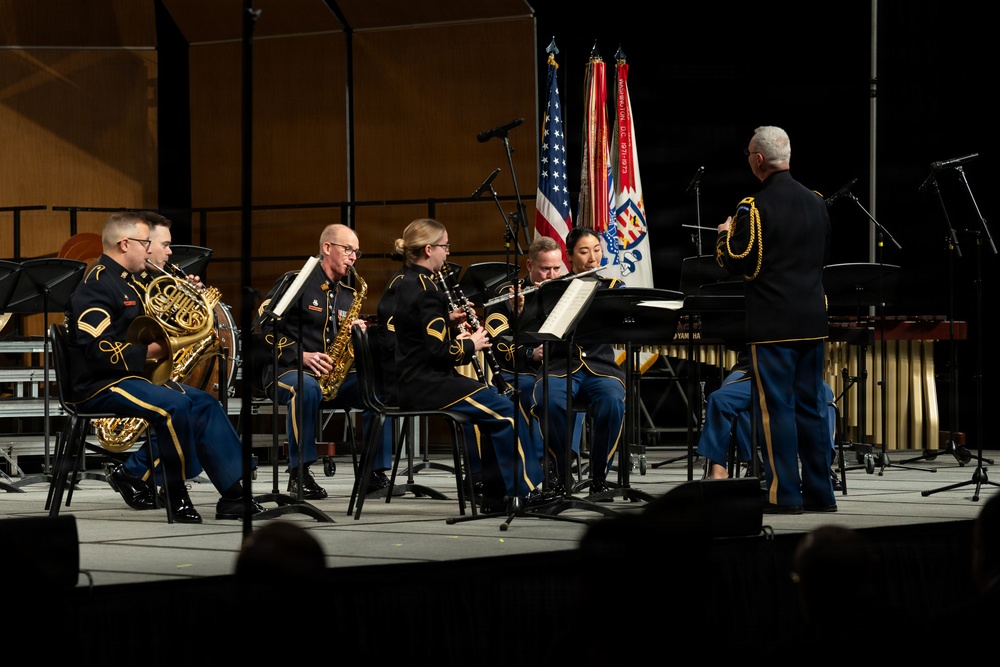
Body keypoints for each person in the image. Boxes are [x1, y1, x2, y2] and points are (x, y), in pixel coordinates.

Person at [65, 210, 262, 523]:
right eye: (145, 242)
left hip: (129, 377)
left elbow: (144, 326)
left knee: (205, 403)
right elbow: (98, 351)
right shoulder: (98, 285)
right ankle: (175, 494)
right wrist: (154, 351)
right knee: (174, 405)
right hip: (99, 383)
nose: (149, 248)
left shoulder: (128, 282)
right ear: (124, 244)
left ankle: (234, 494)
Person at [390, 217, 550, 513]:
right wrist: (470, 344)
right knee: (507, 413)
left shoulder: (408, 282)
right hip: (428, 383)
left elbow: (418, 334)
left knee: (497, 410)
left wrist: (450, 324)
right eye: (444, 246)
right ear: (428, 249)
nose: (447, 252)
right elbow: (438, 353)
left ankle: (495, 497)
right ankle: (524, 493)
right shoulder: (427, 291)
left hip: (420, 379)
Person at [715, 125, 835, 514]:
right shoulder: (817, 201)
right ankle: (821, 494)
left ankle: (785, 494)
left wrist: (723, 235)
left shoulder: (753, 206)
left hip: (774, 326)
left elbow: (739, 262)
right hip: (813, 321)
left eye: (748, 153)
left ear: (759, 160)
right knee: (812, 407)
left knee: (778, 409)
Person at [257, 223, 394, 501]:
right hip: (286, 370)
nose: (353, 257)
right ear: (327, 248)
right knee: (305, 388)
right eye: (348, 249)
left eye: (357, 252)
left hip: (333, 378)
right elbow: (262, 329)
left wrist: (361, 335)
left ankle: (372, 473)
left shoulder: (349, 295)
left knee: (379, 388)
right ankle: (300, 472)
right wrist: (301, 356)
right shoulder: (295, 282)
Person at [531, 227, 626, 498]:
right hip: (559, 368)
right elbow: (531, 326)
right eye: (584, 251)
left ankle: (599, 479)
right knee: (549, 399)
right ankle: (562, 476)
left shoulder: (613, 288)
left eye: (597, 250)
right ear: (570, 256)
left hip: (601, 369)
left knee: (611, 402)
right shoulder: (552, 289)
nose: (593, 257)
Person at [483, 235, 584, 486]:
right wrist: (529, 351)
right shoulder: (506, 294)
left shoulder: (569, 292)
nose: (552, 275)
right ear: (529, 266)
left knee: (568, 391)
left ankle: (562, 461)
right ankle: (541, 464)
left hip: (559, 369)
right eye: (544, 269)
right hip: (520, 371)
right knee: (535, 393)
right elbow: (497, 341)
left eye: (556, 269)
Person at [698, 348, 841, 491]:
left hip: (795, 371)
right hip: (752, 369)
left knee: (825, 393)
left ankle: (823, 467)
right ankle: (746, 464)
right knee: (720, 398)